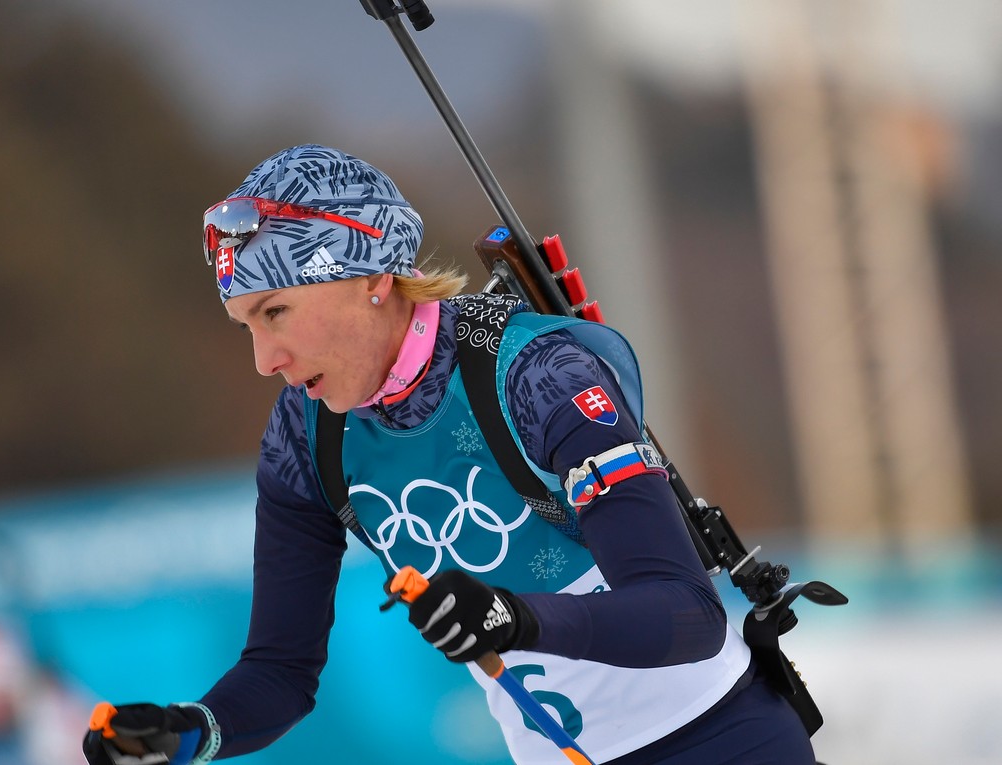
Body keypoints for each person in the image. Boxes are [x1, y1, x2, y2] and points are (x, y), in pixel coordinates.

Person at [82, 144, 817, 764]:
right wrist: (186, 733)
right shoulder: (306, 437)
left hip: (722, 740)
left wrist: (514, 616)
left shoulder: (534, 375)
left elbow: (685, 614)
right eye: (245, 323)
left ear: (372, 277)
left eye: (275, 312)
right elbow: (281, 668)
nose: (263, 358)